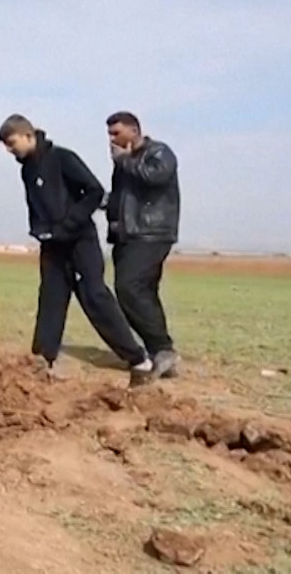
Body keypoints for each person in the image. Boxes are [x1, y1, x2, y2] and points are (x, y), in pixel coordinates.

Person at [0, 114, 154, 387]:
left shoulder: (63, 158)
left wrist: (69, 224)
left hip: (80, 241)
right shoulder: (27, 170)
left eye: (12, 143)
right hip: (52, 246)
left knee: (95, 297)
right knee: (51, 300)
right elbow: (35, 205)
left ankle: (139, 360)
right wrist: (39, 229)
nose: (9, 150)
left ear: (28, 136)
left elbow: (94, 192)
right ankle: (42, 361)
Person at [105, 110, 182, 379]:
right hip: (128, 235)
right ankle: (160, 351)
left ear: (134, 131)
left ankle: (163, 349)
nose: (111, 139)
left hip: (151, 233)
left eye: (116, 133)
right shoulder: (125, 162)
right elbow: (122, 197)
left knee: (129, 287)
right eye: (109, 133)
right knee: (143, 293)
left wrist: (124, 161)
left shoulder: (158, 152)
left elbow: (155, 178)